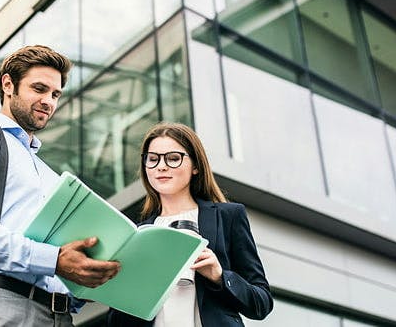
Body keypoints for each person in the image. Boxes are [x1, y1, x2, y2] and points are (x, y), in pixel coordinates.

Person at [0, 45, 121, 326]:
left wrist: (86, 277)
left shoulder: (48, 174)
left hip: (61, 315)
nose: (48, 101)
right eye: (39, 89)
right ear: (8, 85)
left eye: (55, 94)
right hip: (3, 304)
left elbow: (56, 260)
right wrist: (54, 260)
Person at [108, 122, 273, 326]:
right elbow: (117, 318)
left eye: (173, 158)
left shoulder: (228, 216)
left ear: (195, 166)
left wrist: (219, 276)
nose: (161, 166)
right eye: (153, 159)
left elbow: (262, 303)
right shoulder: (137, 233)